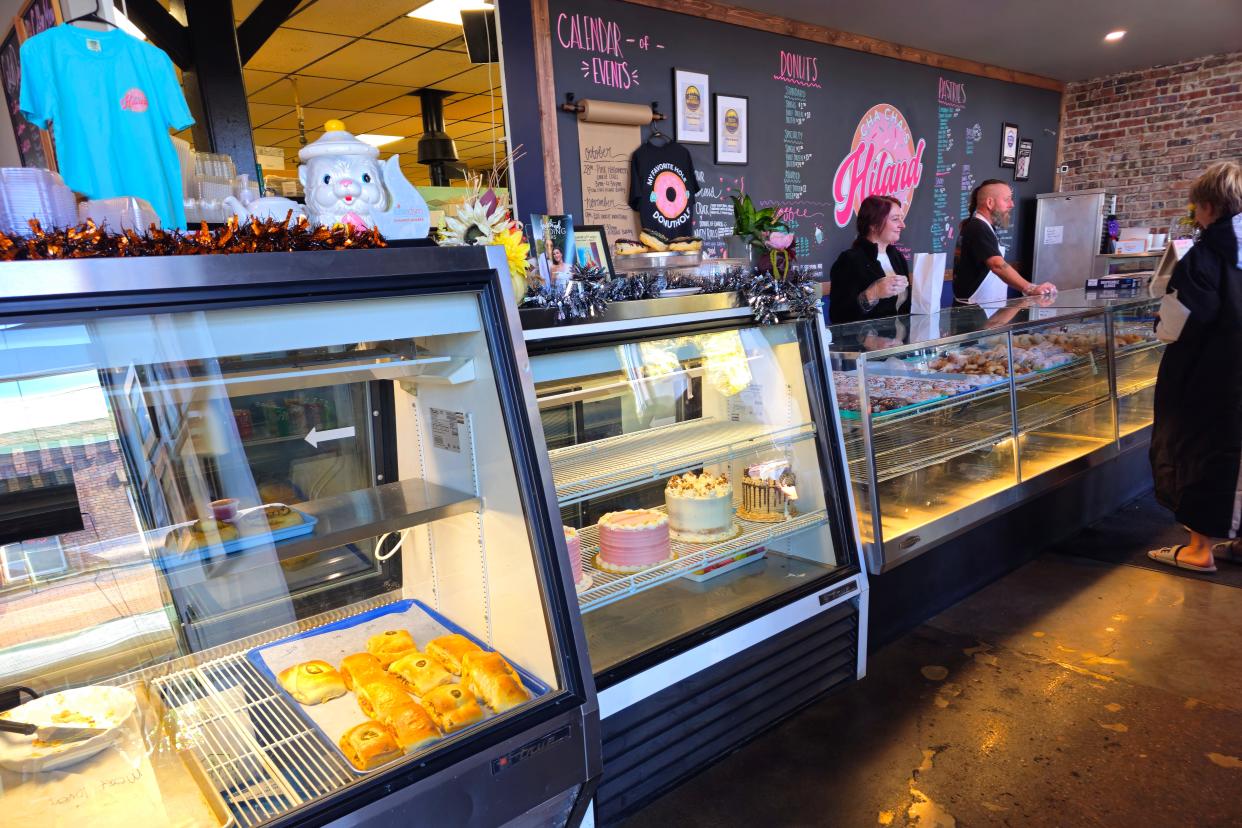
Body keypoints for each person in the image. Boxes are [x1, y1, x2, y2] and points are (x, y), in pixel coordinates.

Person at [1147, 160, 1242, 573]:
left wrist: (1158, 324)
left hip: (1212, 376)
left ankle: (1199, 550)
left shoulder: (1207, 256)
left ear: (1209, 207)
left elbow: (1179, 322)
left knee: (1203, 452)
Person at [953, 179, 1056, 305]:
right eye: (1007, 199)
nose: (1012, 204)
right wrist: (1031, 288)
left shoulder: (984, 227)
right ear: (990, 203)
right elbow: (997, 265)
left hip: (986, 309)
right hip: (973, 312)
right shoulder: (978, 227)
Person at [828, 195, 911, 324]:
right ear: (873, 224)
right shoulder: (849, 260)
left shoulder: (898, 257)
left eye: (902, 219)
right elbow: (838, 316)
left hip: (901, 342)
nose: (903, 225)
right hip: (865, 343)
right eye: (895, 219)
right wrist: (873, 293)